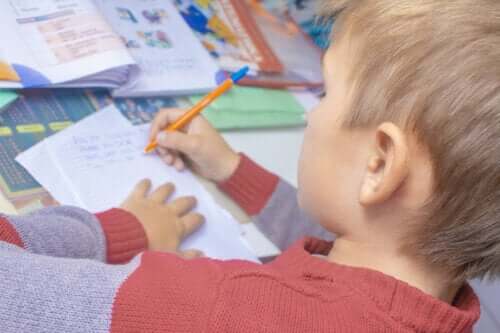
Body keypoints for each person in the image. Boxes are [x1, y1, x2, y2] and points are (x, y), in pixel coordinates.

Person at [2, 0, 499, 331]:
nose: (316, 112)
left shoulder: (219, 309)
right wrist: (229, 168)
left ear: (380, 163)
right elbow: (353, 240)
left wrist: (117, 230)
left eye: (325, 92)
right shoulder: (440, 303)